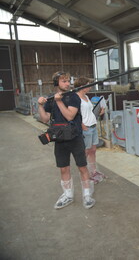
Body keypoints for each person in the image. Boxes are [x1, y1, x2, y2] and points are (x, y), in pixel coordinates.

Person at [37, 71, 95, 209]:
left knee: (82, 166)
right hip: (60, 139)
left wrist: (58, 101)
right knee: (63, 168)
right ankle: (68, 195)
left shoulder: (73, 97)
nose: (68, 83)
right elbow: (45, 119)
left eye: (69, 81)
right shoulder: (52, 99)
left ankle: (87, 195)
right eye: (64, 81)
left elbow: (69, 116)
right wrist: (40, 105)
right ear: (57, 83)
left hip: (75, 138)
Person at [74, 77, 106, 184]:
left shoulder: (86, 97)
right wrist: (82, 126)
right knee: (86, 152)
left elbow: (89, 111)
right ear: (82, 86)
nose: (90, 87)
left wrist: (99, 111)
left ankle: (94, 172)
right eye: (88, 85)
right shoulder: (76, 98)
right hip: (86, 128)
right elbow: (75, 115)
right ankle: (86, 175)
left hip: (92, 126)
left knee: (93, 150)